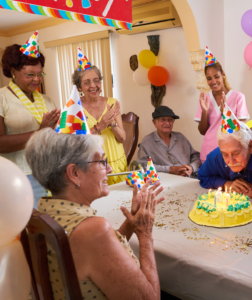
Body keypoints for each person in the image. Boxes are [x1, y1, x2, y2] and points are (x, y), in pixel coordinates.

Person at [25, 128, 165, 300]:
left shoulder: (44, 211)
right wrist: (145, 236)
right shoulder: (93, 230)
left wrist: (130, 224)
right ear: (74, 173)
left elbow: (99, 256)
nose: (110, 169)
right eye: (102, 162)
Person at [0, 32, 60, 208]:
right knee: (29, 230)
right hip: (18, 177)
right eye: (30, 74)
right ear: (13, 72)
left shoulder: (47, 100)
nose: (37, 79)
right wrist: (39, 133)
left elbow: (55, 135)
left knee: (52, 227)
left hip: (49, 173)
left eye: (40, 74)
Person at [197, 111, 252, 201]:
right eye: (225, 154)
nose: (230, 161)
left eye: (236, 153)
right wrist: (227, 184)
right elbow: (202, 176)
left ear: (250, 146)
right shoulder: (216, 156)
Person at [72, 48, 127, 185]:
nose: (93, 86)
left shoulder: (112, 103)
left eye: (96, 81)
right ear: (79, 87)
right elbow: (76, 142)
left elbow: (122, 138)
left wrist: (112, 123)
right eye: (87, 82)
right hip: (91, 165)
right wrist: (100, 126)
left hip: (116, 163)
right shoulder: (75, 108)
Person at [194, 46, 249, 163]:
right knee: (210, 181)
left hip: (230, 152)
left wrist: (226, 112)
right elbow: (203, 131)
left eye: (216, 76)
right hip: (208, 152)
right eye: (209, 78)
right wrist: (204, 112)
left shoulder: (238, 97)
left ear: (223, 74)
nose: (213, 81)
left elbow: (239, 130)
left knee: (230, 181)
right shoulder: (205, 99)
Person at [138, 106, 201, 177]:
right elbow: (143, 166)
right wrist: (170, 169)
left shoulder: (181, 138)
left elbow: (196, 157)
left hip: (188, 179)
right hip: (164, 182)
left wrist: (191, 168)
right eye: (163, 120)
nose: (167, 123)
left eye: (170, 120)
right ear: (154, 122)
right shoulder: (147, 141)